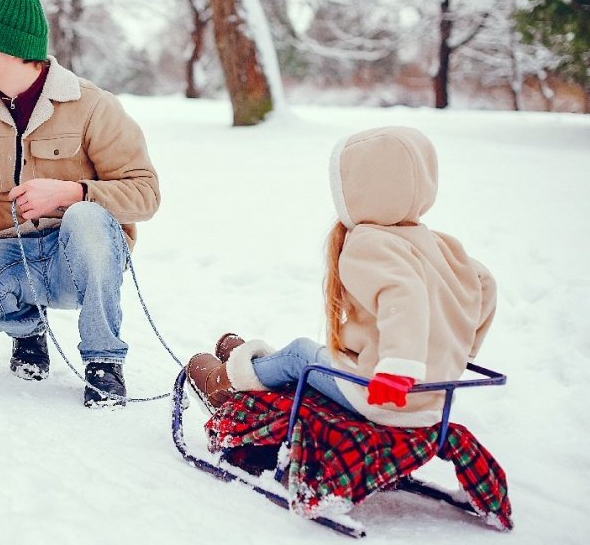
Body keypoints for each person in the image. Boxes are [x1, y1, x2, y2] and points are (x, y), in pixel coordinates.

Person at [0, 0, 161, 408]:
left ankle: (104, 360)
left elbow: (146, 193)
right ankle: (27, 332)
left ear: (11, 50)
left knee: (86, 217)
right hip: (13, 253)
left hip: (79, 258)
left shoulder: (93, 106)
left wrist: (72, 193)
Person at [187, 126, 497, 427]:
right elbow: (484, 283)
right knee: (309, 353)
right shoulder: (436, 242)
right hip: (433, 397)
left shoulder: (371, 242)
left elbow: (404, 298)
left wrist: (398, 369)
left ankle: (224, 384)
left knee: (299, 352)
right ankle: (255, 364)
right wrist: (457, 348)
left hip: (383, 395)